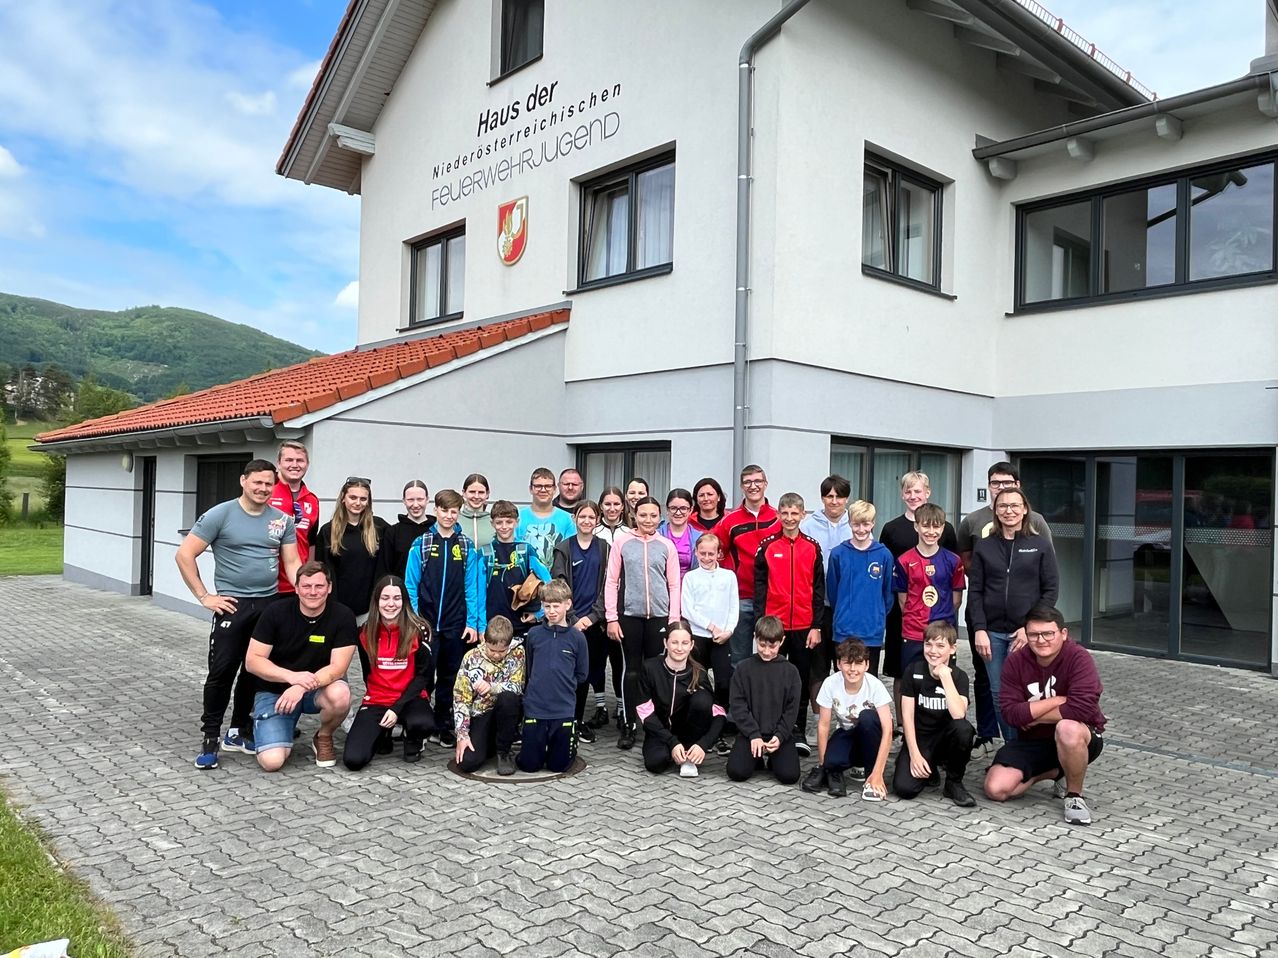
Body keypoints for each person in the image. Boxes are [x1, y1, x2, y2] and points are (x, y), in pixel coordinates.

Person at [175, 458, 300, 769]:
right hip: (233, 605)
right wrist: (205, 596)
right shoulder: (221, 514)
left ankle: (239, 730)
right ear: (243, 481)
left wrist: (308, 592)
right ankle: (210, 737)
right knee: (222, 672)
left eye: (269, 483)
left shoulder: (282, 520)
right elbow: (184, 554)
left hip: (269, 605)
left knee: (254, 670)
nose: (263, 488)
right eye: (257, 482)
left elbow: (293, 564)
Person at [957, 461, 1055, 751]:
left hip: (1028, 635)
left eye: (1014, 505)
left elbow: (1050, 590)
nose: (1008, 510)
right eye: (1003, 506)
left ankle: (1035, 749)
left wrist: (1030, 628)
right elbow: (975, 591)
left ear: (1024, 508)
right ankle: (1013, 748)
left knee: (1031, 694)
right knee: (1000, 693)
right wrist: (980, 630)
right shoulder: (985, 546)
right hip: (993, 635)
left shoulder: (1039, 544)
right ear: (995, 510)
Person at [984, 605, 1106, 825]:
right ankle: (1055, 772)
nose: (1041, 640)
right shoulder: (1016, 661)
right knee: (996, 789)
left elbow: (1083, 708)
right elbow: (1010, 713)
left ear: (1063, 633)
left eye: (1048, 633)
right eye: (1034, 634)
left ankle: (1074, 797)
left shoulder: (1078, 658)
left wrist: (1034, 717)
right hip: (1033, 741)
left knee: (1067, 728)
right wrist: (1057, 700)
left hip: (1080, 737)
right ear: (1026, 635)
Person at [244, 562, 356, 771]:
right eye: (306, 586)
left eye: (319, 586)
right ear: (296, 588)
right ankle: (276, 725)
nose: (313, 592)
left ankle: (323, 736)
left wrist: (301, 685)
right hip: (275, 691)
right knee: (272, 762)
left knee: (341, 693)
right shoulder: (275, 612)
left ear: (329, 588)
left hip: (316, 689)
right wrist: (291, 678)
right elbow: (253, 661)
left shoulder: (343, 616)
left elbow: (338, 668)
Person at [604, 495, 682, 750]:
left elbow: (673, 584)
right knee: (632, 671)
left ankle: (655, 723)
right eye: (643, 515)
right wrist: (612, 617)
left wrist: (673, 619)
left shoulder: (666, 545)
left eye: (652, 515)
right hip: (630, 616)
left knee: (657, 671)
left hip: (659, 617)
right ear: (634, 516)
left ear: (659, 517)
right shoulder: (622, 543)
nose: (648, 520)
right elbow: (612, 581)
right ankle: (628, 723)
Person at [404, 489, 479, 748]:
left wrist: (472, 622)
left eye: (454, 511)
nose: (449, 515)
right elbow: (410, 585)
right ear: (435, 510)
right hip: (426, 624)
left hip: (455, 624)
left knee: (450, 675)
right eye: (444, 510)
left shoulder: (466, 545)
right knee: (424, 675)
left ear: (459, 512)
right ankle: (417, 721)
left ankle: (442, 723)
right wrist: (415, 620)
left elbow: (471, 587)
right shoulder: (422, 543)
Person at [754, 492, 824, 755]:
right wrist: (760, 624)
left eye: (795, 513)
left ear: (802, 515)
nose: (790, 518)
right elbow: (760, 588)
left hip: (805, 627)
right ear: (778, 515)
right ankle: (768, 728)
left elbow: (819, 589)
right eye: (785, 513)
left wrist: (816, 625)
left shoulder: (812, 547)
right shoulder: (769, 545)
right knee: (770, 678)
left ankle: (796, 731)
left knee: (800, 680)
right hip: (775, 625)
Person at [343, 576, 435, 769]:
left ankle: (413, 740)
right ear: (376, 601)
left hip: (411, 698)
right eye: (385, 598)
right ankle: (382, 733)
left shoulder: (420, 630)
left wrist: (396, 708)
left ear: (404, 601)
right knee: (353, 759)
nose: (391, 604)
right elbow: (367, 672)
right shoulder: (365, 632)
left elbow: (423, 677)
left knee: (423, 723)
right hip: (377, 700)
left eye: (396, 598)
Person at [879, 472, 958, 688]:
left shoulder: (946, 529)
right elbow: (887, 570)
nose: (913, 496)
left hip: (939, 613)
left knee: (940, 668)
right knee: (901, 670)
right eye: (909, 491)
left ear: (928, 493)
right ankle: (903, 721)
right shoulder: (891, 529)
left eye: (918, 491)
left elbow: (952, 570)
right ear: (902, 495)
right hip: (903, 611)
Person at [893, 622, 977, 807]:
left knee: (964, 729)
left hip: (946, 740)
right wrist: (914, 754)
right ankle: (928, 769)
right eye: (928, 644)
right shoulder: (913, 671)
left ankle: (953, 783)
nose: (933, 651)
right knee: (904, 789)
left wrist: (945, 677)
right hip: (920, 739)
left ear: (953, 648)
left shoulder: (959, 676)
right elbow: (906, 716)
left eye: (940, 646)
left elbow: (958, 715)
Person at [803, 639, 893, 801]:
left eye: (858, 664)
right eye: (847, 663)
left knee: (867, 717)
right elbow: (823, 725)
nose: (852, 669)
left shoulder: (875, 686)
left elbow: (888, 730)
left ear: (866, 665)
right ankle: (837, 769)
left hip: (872, 733)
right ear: (838, 664)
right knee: (831, 762)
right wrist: (823, 764)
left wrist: (878, 773)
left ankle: (871, 778)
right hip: (847, 732)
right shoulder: (830, 683)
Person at [710, 464, 781, 669]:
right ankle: (737, 700)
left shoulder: (777, 518)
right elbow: (712, 546)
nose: (753, 486)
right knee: (739, 658)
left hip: (772, 598)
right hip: (742, 597)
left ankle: (766, 700)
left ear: (765, 484)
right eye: (748, 482)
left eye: (758, 481)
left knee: (770, 655)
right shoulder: (730, 520)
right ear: (742, 487)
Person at [891, 502, 965, 697]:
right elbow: (902, 600)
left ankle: (941, 726)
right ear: (916, 526)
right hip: (914, 632)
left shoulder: (953, 560)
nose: (931, 531)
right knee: (911, 684)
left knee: (943, 685)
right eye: (926, 525)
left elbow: (956, 599)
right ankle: (907, 726)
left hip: (943, 633)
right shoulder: (904, 561)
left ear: (942, 528)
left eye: (936, 526)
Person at [552, 500, 610, 745]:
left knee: (587, 672)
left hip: (595, 622)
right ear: (575, 518)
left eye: (591, 516)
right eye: (582, 516)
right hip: (571, 622)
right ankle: (566, 720)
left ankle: (578, 720)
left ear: (597, 520)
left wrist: (593, 617)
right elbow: (560, 584)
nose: (587, 520)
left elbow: (610, 583)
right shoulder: (564, 548)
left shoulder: (605, 548)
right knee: (568, 673)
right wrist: (574, 617)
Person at [635, 622, 726, 776]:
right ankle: (676, 752)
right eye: (674, 642)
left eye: (684, 643)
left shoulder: (699, 673)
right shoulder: (650, 668)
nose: (679, 648)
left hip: (688, 733)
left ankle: (689, 753)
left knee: (703, 699)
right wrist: (672, 742)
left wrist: (703, 744)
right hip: (660, 733)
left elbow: (719, 714)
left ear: (691, 645)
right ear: (665, 643)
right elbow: (644, 712)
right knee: (655, 763)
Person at [517, 580, 589, 773]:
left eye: (556, 606)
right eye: (547, 606)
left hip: (563, 709)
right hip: (536, 708)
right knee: (529, 766)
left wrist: (565, 687)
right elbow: (529, 668)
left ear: (568, 604)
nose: (551, 611)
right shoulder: (534, 635)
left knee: (559, 767)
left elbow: (582, 674)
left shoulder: (577, 638)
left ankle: (568, 741)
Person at [726, 615, 802, 785]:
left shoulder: (791, 672)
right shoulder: (743, 669)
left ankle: (773, 758)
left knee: (789, 776)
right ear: (755, 638)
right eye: (762, 645)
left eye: (772, 646)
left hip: (778, 734)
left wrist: (781, 736)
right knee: (737, 772)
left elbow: (792, 709)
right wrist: (753, 734)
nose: (767, 651)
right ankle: (757, 759)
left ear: (781, 641)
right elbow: (738, 705)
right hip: (751, 734)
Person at [825, 499, 894, 676]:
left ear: (873, 523)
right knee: (844, 678)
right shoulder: (838, 554)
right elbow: (833, 593)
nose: (861, 529)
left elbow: (887, 593)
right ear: (849, 523)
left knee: (869, 681)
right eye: (856, 524)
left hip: (871, 630)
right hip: (843, 631)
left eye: (866, 524)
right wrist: (844, 611)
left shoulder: (884, 555)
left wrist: (876, 615)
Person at [799, 475, 851, 697]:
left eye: (839, 496)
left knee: (845, 664)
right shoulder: (808, 526)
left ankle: (845, 719)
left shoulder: (855, 524)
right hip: (818, 607)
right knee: (817, 668)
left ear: (846, 499)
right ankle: (820, 719)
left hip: (846, 607)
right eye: (829, 496)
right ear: (822, 498)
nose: (834, 501)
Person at [454, 616, 526, 775]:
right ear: (484, 641)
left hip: (507, 710)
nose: (496, 655)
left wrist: (492, 687)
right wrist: (462, 735)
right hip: (480, 714)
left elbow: (518, 686)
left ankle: (504, 752)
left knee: (509, 698)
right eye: (491, 650)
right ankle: (489, 744)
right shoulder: (471, 657)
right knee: (468, 763)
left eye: (502, 651)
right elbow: (460, 699)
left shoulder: (518, 653)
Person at [680, 533, 737, 733]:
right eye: (702, 553)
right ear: (696, 553)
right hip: (698, 637)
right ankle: (699, 723)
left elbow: (733, 607)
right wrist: (711, 626)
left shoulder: (729, 576)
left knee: (724, 682)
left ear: (718, 554)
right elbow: (687, 609)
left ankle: (719, 723)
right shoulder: (690, 577)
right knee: (698, 681)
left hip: (722, 638)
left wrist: (728, 630)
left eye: (710, 553)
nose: (706, 557)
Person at [313, 478, 388, 625]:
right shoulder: (328, 531)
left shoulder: (380, 528)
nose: (358, 503)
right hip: (337, 609)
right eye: (353, 497)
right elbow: (323, 572)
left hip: (369, 610)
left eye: (363, 499)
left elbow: (387, 566)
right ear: (343, 498)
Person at [474, 499, 552, 639]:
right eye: (499, 522)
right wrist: (481, 627)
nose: (504, 526)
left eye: (509, 522)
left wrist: (539, 613)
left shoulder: (526, 550)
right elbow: (479, 594)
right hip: (493, 627)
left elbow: (548, 583)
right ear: (492, 523)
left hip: (522, 624)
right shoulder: (485, 553)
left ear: (517, 522)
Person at [591, 485, 629, 726]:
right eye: (607, 504)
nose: (612, 508)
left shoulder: (629, 532)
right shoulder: (593, 532)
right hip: (596, 607)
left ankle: (622, 706)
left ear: (623, 506)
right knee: (596, 660)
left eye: (616, 504)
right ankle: (600, 706)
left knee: (619, 660)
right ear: (600, 506)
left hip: (621, 607)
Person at [268, 440, 319, 596]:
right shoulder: (266, 493)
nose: (295, 465)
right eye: (289, 460)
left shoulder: (312, 500)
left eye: (300, 460)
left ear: (307, 464)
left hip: (296, 586)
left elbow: (311, 543)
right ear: (279, 463)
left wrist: (309, 579)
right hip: (267, 587)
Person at [517, 467, 576, 571]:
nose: (543, 490)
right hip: (524, 581)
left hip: (556, 582)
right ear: (530, 489)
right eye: (538, 486)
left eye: (548, 486)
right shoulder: (517, 517)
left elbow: (571, 554)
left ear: (554, 489)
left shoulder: (567, 519)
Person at [385, 480, 436, 580]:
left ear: (427, 500)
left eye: (420, 499)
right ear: (404, 501)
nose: (415, 505)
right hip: (401, 593)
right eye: (410, 500)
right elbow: (386, 569)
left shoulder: (436, 530)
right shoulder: (393, 532)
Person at [658, 487, 701, 583]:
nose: (678, 513)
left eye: (683, 508)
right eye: (673, 508)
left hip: (689, 589)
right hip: (662, 590)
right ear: (667, 509)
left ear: (691, 510)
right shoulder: (657, 535)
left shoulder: (699, 538)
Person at [459, 473, 495, 552]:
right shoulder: (455, 520)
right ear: (464, 493)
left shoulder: (495, 521)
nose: (476, 496)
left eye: (481, 492)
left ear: (487, 494)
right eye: (472, 492)